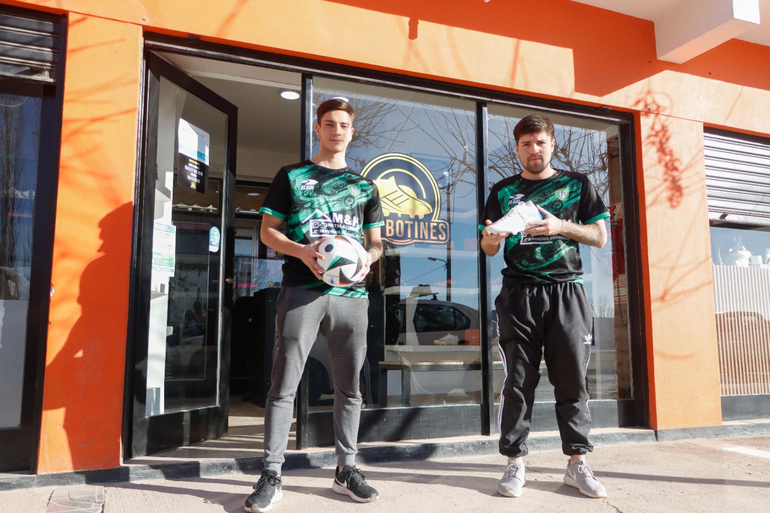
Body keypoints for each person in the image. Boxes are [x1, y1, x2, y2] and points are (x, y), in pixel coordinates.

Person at [245, 97, 384, 513]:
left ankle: (346, 469)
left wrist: (366, 259)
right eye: (329, 123)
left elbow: (376, 243)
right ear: (317, 129)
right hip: (302, 290)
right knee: (283, 384)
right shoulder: (292, 176)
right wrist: (303, 251)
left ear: (352, 132)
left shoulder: (365, 187)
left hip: (352, 297)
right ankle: (271, 474)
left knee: (350, 387)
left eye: (344, 124)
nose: (337, 130)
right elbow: (268, 231)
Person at [480, 113, 609, 500]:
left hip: (567, 292)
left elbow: (599, 237)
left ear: (552, 143)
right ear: (517, 148)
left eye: (539, 142)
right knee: (518, 382)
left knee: (572, 380)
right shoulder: (503, 191)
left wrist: (561, 227)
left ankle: (576, 463)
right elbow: (488, 248)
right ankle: (515, 462)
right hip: (519, 295)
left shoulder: (577, 185)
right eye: (525, 144)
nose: (533, 150)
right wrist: (491, 236)